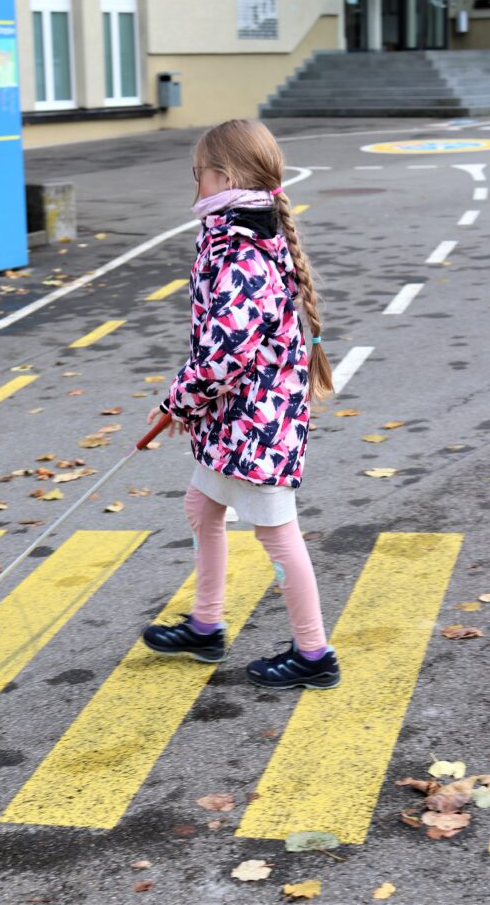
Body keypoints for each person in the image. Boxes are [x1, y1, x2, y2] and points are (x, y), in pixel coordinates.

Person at [142, 118, 339, 691]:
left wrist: (177, 403)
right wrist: (190, 406)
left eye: (197, 174)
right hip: (237, 417)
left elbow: (223, 354)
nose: (194, 185)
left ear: (223, 176)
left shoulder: (241, 252)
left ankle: (313, 653)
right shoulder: (235, 235)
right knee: (203, 508)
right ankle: (206, 625)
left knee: (277, 532)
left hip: (255, 423)